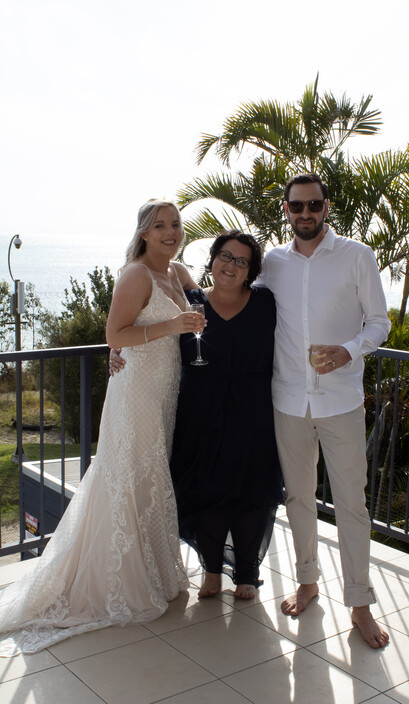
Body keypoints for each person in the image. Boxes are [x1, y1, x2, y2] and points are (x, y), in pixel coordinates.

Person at [0, 199, 203, 656]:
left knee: (151, 477)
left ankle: (151, 570)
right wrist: (173, 324)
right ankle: (116, 581)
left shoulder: (177, 272)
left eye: (175, 224)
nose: (170, 231)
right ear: (144, 232)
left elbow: (207, 298)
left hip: (166, 390)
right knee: (127, 475)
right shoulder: (135, 274)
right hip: (135, 393)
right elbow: (116, 335)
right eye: (160, 226)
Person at [256, 173, 391, 648]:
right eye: (297, 207)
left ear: (327, 207)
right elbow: (232, 299)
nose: (306, 214)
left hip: (341, 402)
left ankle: (359, 605)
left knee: (353, 505)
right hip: (287, 399)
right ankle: (308, 582)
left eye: (314, 205)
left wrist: (349, 350)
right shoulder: (272, 263)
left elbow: (379, 322)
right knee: (299, 500)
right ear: (287, 211)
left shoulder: (357, 256)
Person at [170, 231, 284, 599]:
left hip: (253, 409)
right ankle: (212, 570)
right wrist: (116, 350)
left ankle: (247, 573)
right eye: (224, 256)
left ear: (252, 270)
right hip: (200, 408)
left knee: (251, 488)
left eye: (241, 261)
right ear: (213, 258)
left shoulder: (266, 302)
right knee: (206, 488)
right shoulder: (190, 303)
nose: (230, 265)